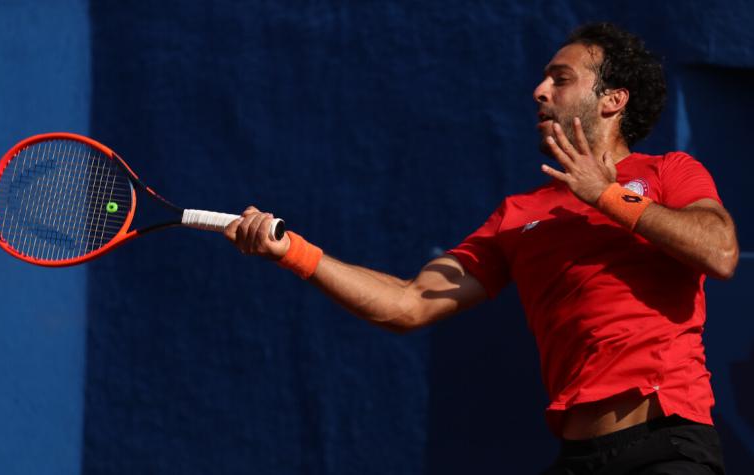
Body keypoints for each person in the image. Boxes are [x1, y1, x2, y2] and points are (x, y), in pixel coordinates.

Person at [224, 23, 738, 474]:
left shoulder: (668, 172)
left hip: (667, 445)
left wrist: (606, 195)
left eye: (560, 79)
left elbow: (719, 253)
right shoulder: (517, 214)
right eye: (543, 79)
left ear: (612, 99)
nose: (539, 91)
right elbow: (409, 302)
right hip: (580, 455)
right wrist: (291, 250)